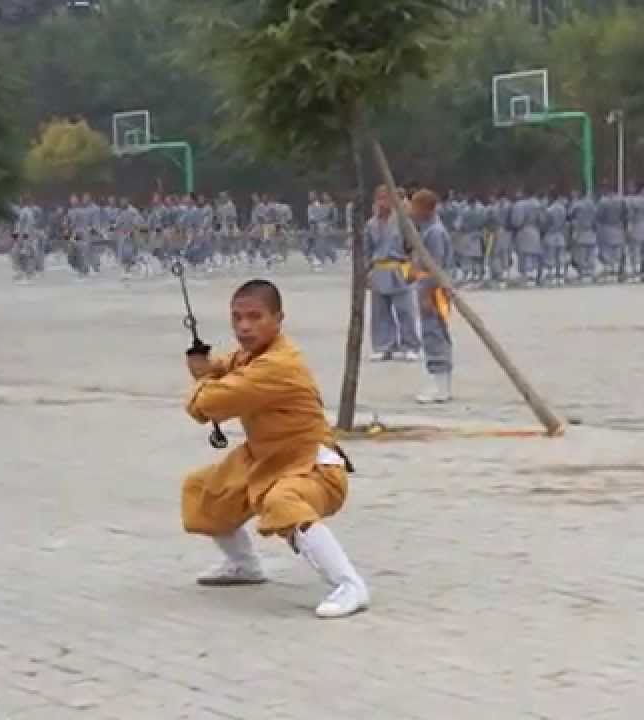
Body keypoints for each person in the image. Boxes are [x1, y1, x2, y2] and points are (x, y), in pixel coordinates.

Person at [181, 279, 369, 619]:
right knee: (205, 491)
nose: (244, 326)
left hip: (311, 465)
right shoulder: (255, 355)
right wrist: (210, 366)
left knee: (282, 503)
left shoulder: (277, 365)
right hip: (263, 457)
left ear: (278, 318)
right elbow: (230, 364)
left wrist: (202, 379)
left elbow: (205, 406)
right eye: (237, 317)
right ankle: (244, 565)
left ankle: (349, 584)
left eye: (255, 317)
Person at [366, 185, 421, 362]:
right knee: (380, 312)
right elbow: (367, 251)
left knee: (405, 310)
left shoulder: (403, 222)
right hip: (379, 269)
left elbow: (414, 246)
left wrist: (414, 266)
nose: (382, 202)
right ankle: (384, 345)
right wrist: (366, 273)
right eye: (379, 198)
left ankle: (410, 345)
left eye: (386, 198)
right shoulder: (371, 224)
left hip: (399, 268)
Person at [408, 190, 453, 404]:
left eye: (415, 206)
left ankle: (440, 384)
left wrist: (427, 294)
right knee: (432, 333)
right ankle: (439, 381)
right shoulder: (425, 230)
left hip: (432, 288)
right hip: (426, 285)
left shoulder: (434, 232)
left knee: (434, 333)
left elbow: (434, 266)